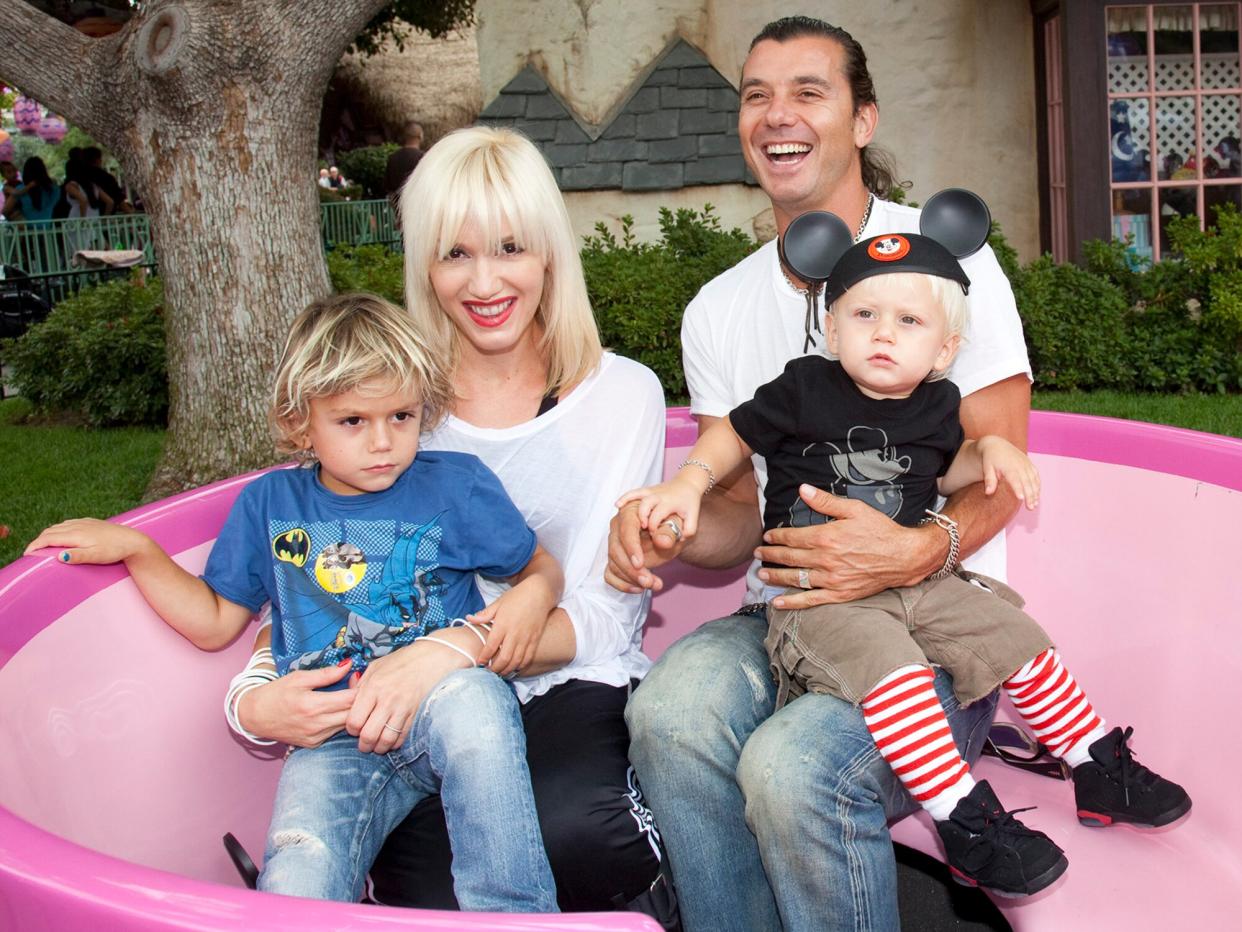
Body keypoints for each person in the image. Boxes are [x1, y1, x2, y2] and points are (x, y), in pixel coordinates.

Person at [608, 16, 1036, 932]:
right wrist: (676, 516)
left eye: (809, 91)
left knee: (793, 769)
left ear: (864, 120)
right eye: (756, 95)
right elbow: (733, 521)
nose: (777, 114)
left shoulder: (942, 263)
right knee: (671, 715)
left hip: (929, 633)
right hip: (788, 615)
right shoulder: (718, 310)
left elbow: (1001, 464)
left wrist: (916, 550)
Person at [616, 222, 1190, 898]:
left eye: (908, 321)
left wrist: (993, 452)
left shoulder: (937, 404)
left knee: (1014, 637)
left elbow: (953, 471)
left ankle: (1095, 763)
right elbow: (735, 436)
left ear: (944, 350)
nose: (883, 333)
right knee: (895, 673)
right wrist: (688, 482)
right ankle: (962, 816)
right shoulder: (803, 387)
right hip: (822, 598)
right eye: (864, 315)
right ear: (833, 331)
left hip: (916, 581)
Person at [231, 126, 677, 924]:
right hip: (406, 711)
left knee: (582, 833)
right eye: (454, 254)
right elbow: (316, 571)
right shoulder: (390, 409)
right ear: (423, 266)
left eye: (510, 247)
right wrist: (252, 698)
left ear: (549, 253)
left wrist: (442, 654)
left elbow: (606, 614)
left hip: (564, 681)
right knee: (421, 895)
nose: (485, 281)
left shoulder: (623, 395)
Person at [26, 293, 563, 912]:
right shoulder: (268, 504)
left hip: (442, 701)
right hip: (332, 737)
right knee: (298, 877)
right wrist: (141, 551)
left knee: (473, 701)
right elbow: (214, 622)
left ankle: (516, 918)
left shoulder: (456, 485)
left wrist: (536, 593)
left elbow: (537, 565)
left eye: (402, 417)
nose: (383, 442)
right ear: (298, 421)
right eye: (353, 421)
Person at [385, 120, 426, 219]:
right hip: (419, 209)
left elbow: (388, 187)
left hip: (400, 209)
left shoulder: (393, 158)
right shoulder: (424, 158)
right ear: (420, 136)